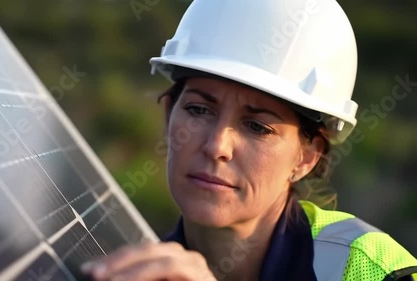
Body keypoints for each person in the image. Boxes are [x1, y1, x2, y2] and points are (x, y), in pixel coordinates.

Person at [81, 0, 417, 280]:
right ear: (169, 115)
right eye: (198, 110)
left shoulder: (372, 269)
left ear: (306, 158)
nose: (217, 146)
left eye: (257, 127)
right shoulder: (133, 270)